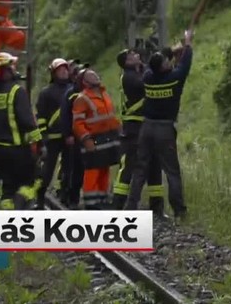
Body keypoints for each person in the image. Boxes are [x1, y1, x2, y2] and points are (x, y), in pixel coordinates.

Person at [124, 30, 193, 219]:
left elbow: (160, 63)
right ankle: (179, 210)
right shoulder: (175, 79)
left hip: (146, 128)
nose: (169, 62)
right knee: (171, 171)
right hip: (164, 129)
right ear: (163, 67)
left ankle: (130, 207)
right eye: (166, 62)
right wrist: (187, 42)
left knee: (140, 168)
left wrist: (176, 49)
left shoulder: (148, 78)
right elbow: (185, 62)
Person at [0, 52, 43, 210]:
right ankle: (22, 204)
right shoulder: (16, 91)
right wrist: (40, 145)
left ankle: (8, 217)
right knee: (35, 180)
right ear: (3, 72)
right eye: (10, 67)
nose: (14, 70)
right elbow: (28, 122)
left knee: (8, 189)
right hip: (17, 150)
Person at [110, 49, 166, 216]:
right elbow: (145, 85)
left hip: (148, 125)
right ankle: (118, 204)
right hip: (133, 128)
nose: (136, 56)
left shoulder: (139, 72)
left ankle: (157, 207)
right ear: (126, 62)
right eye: (132, 56)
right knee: (129, 165)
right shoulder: (128, 77)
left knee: (155, 165)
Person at [72, 69, 122, 210]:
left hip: (107, 138)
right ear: (85, 82)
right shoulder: (82, 98)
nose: (95, 76)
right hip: (93, 139)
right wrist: (86, 139)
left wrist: (118, 128)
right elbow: (77, 123)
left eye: (95, 74)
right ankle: (91, 202)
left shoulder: (103, 94)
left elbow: (109, 115)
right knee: (93, 170)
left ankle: (102, 198)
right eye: (90, 76)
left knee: (104, 168)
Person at [34, 58, 71, 209]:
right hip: (52, 139)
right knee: (47, 171)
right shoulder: (46, 92)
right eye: (60, 70)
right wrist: (43, 138)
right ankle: (40, 198)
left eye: (66, 69)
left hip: (70, 138)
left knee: (69, 170)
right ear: (54, 73)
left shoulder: (73, 89)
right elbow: (41, 117)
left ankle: (65, 196)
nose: (64, 72)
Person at [59, 60, 87, 209]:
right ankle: (70, 197)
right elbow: (65, 115)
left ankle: (88, 198)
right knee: (73, 168)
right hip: (75, 137)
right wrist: (67, 134)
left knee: (85, 168)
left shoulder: (90, 92)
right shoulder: (70, 93)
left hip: (88, 135)